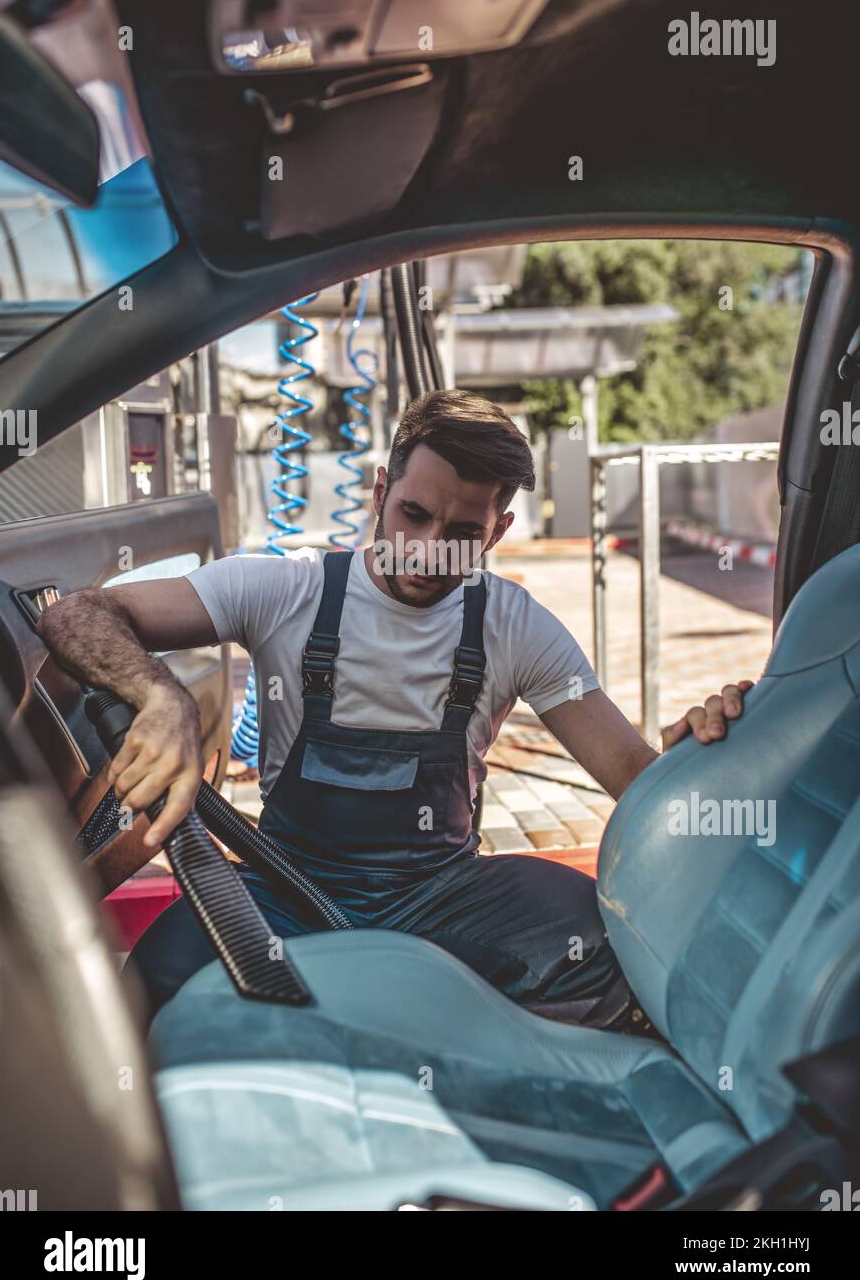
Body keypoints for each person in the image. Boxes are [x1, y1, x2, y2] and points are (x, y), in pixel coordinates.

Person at [39, 391, 751, 1029]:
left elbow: (634, 776)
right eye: (413, 514)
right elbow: (76, 614)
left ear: (497, 533)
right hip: (286, 886)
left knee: (620, 953)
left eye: (463, 533)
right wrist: (159, 696)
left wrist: (703, 759)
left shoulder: (514, 625)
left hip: (443, 896)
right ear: (380, 493)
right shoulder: (286, 590)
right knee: (153, 986)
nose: (430, 552)